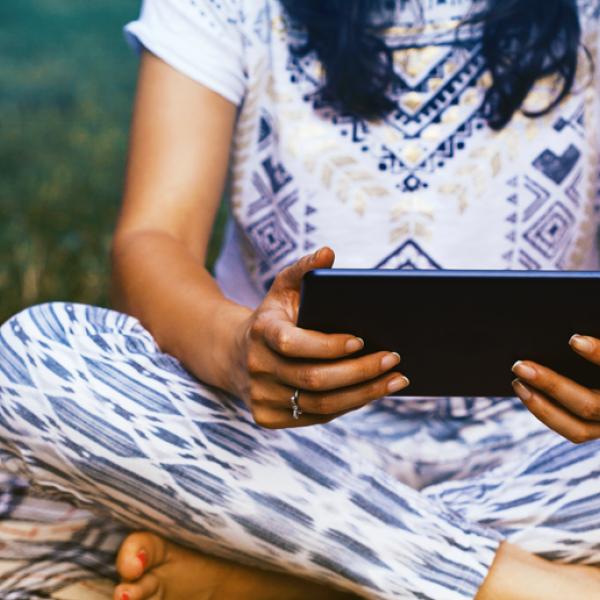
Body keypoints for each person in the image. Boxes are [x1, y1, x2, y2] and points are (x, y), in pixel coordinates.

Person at [0, 0, 599, 598]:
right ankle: (522, 583)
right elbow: (154, 239)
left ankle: (280, 574)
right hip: (269, 441)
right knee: (32, 360)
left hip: (535, 458)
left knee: (35, 522)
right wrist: (236, 349)